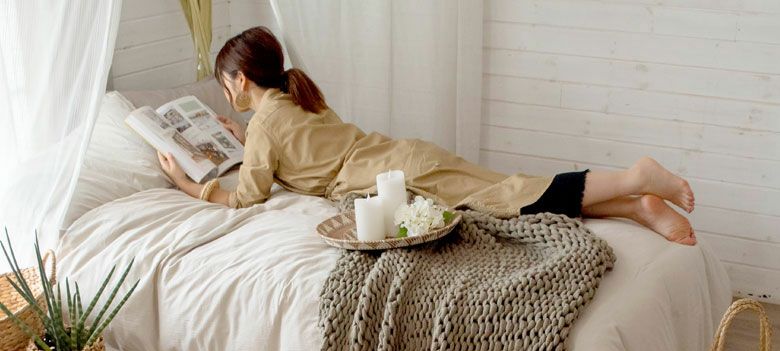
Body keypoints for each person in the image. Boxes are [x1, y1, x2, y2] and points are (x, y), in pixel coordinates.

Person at [158, 27, 697, 245]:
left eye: (224, 83)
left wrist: (186, 183)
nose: (225, 91)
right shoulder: (295, 97)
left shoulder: (267, 125)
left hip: (398, 172)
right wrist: (242, 133)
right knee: (507, 195)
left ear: (239, 81)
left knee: (511, 194)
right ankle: (636, 207)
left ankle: (635, 176)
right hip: (403, 158)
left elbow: (246, 197)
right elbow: (287, 144)